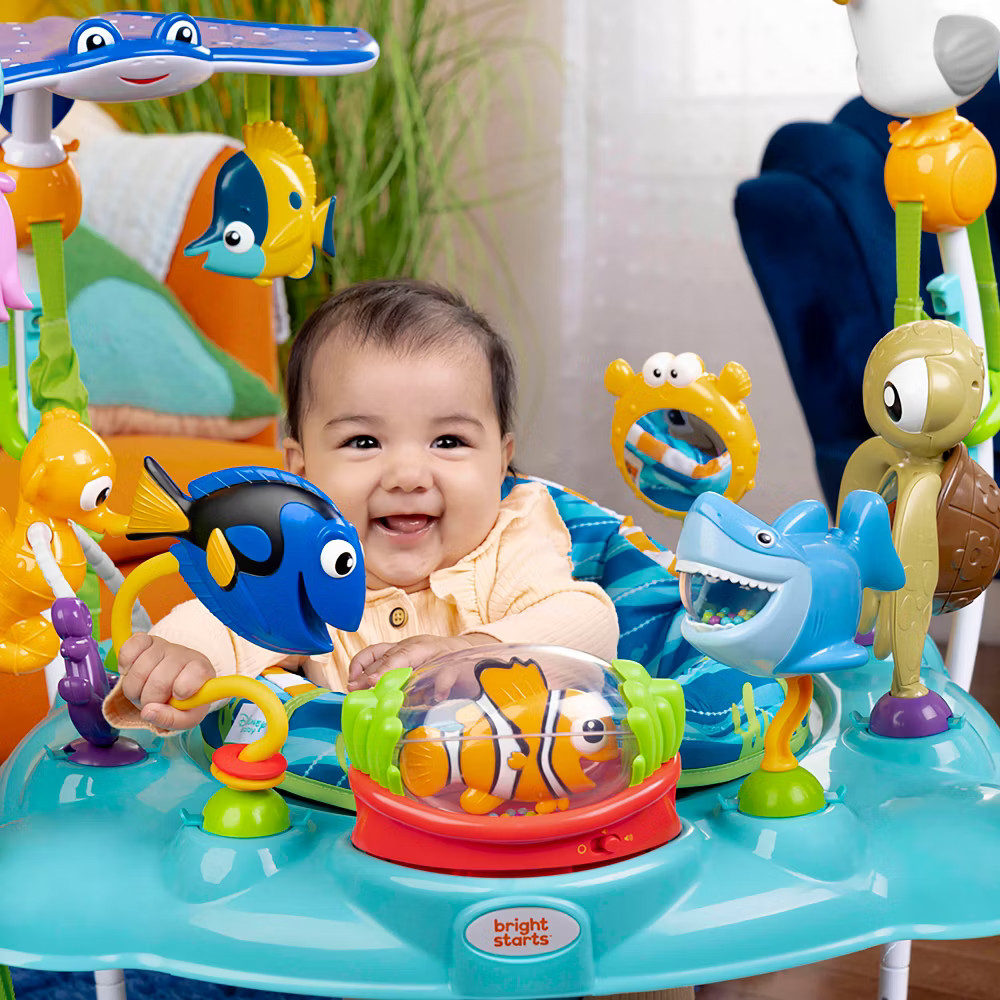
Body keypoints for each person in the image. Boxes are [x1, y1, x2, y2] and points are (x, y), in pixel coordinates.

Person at [103, 278, 620, 733]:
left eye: (448, 441)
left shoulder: (511, 540)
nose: (408, 476)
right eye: (364, 442)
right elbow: (222, 622)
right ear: (301, 473)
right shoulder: (302, 566)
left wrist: (472, 651)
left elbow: (588, 624)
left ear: (501, 463)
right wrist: (184, 663)